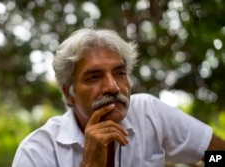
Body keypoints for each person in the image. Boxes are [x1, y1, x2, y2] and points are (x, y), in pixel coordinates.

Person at [12, 28, 225, 167]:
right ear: (69, 93)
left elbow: (218, 154)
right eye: (94, 77)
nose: (113, 87)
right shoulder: (37, 152)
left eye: (120, 73)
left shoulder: (149, 113)